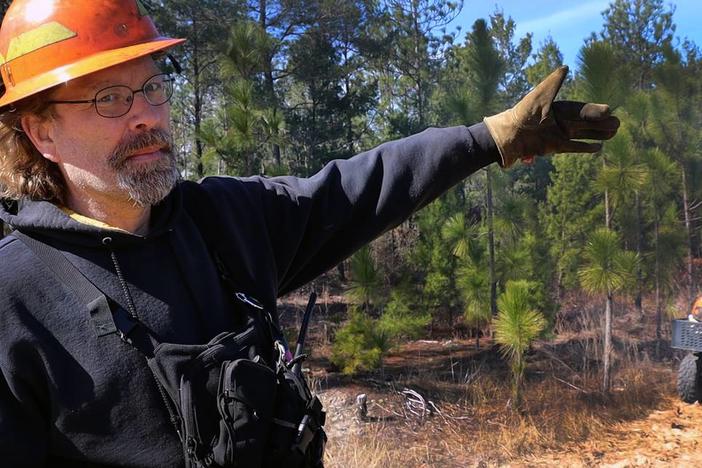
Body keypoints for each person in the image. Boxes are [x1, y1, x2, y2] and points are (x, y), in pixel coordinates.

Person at [0, 0, 620, 466]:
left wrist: (489, 139)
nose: (145, 115)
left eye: (153, 86)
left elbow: (359, 188)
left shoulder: (224, 223)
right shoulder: (15, 298)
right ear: (40, 133)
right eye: (108, 97)